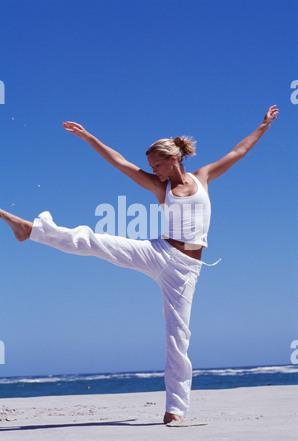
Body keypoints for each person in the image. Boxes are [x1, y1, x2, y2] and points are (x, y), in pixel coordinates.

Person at [0, 105, 279, 424]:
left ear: (174, 159)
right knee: (96, 241)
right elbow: (121, 164)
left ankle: (175, 410)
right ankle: (31, 230)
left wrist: (264, 126)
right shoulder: (162, 188)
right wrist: (90, 138)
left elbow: (237, 151)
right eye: (152, 167)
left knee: (178, 337)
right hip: (159, 251)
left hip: (186, 271)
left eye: (157, 165)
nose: (154, 171)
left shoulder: (203, 177)